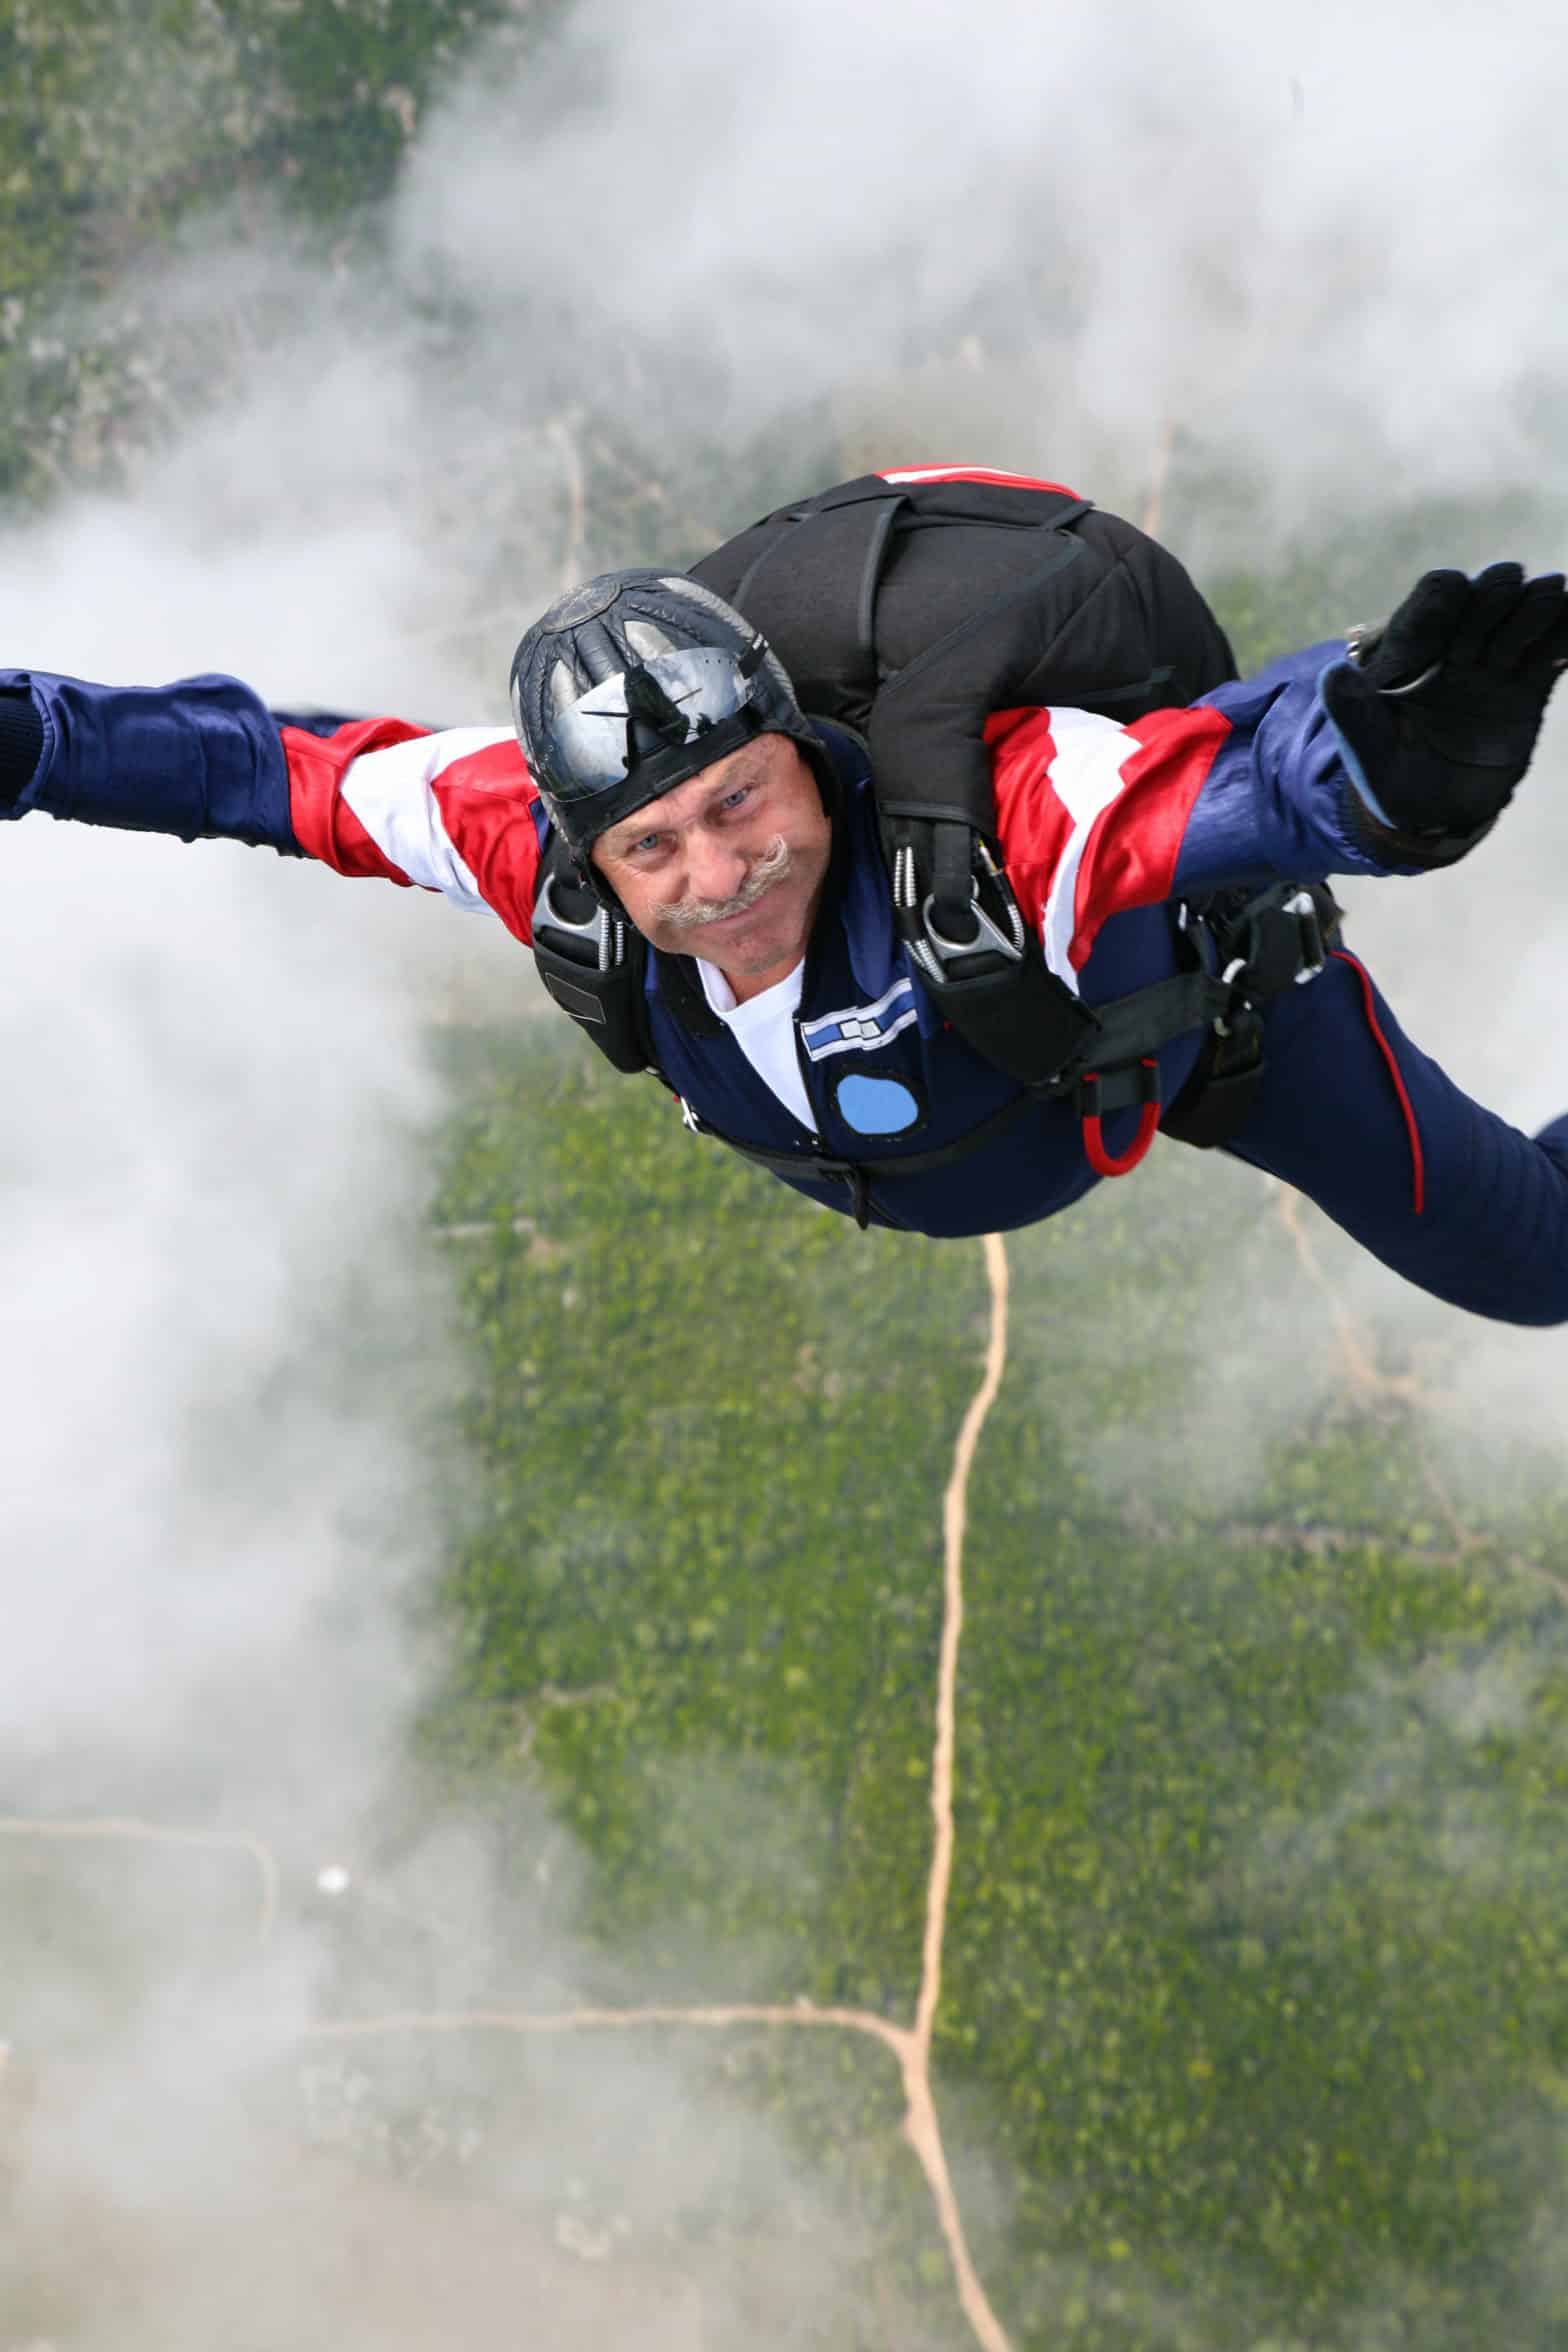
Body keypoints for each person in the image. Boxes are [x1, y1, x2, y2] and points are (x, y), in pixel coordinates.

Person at [1, 464, 1566, 1324]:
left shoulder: (992, 823)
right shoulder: (546, 860)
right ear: (585, 851)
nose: (715, 876)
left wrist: (1388, 772)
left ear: (806, 753)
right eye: (652, 847)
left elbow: (1224, 784)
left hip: (1214, 1027)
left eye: (739, 803)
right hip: (1031, 1087)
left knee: (1537, 1264)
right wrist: (36, 742)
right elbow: (266, 776)